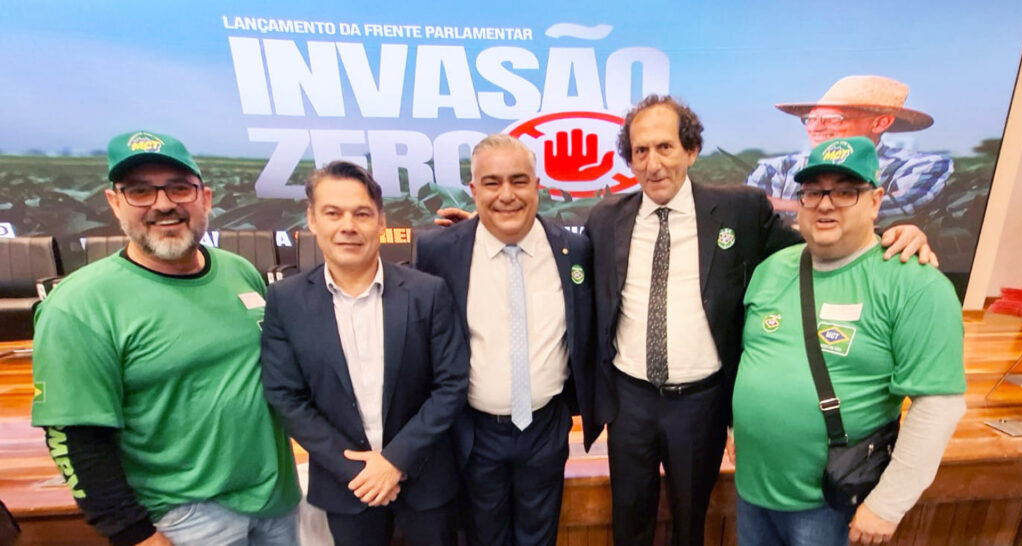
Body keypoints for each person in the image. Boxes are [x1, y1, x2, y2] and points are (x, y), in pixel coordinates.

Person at [584, 95, 935, 546]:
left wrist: (890, 236)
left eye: (665, 147)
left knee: (690, 521)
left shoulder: (740, 210)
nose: (653, 163)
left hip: (700, 405)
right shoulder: (606, 219)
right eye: (641, 151)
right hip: (628, 400)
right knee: (628, 520)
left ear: (691, 151)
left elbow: (818, 241)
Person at [31, 130, 301, 545]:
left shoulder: (238, 270)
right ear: (114, 202)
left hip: (277, 503)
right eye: (140, 191)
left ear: (205, 198)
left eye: (179, 188)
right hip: (185, 519)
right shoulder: (79, 306)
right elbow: (74, 436)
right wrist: (134, 534)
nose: (163, 204)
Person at [729, 136, 966, 545]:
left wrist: (888, 504)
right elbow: (752, 356)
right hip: (752, 493)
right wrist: (737, 427)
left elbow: (938, 406)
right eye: (814, 191)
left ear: (875, 201)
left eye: (845, 191)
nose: (825, 204)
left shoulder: (915, 284)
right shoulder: (771, 269)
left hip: (832, 505)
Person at [260, 161, 469, 546]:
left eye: (361, 214)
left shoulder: (428, 292)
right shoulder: (285, 301)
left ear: (380, 221)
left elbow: (451, 384)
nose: (348, 226)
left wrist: (395, 462)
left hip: (426, 482)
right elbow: (286, 396)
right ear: (312, 219)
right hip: (347, 486)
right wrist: (358, 471)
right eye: (333, 213)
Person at [415, 134, 597, 546]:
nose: (507, 194)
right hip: (473, 433)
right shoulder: (439, 251)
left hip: (546, 428)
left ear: (537, 186)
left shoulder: (575, 249)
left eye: (518, 180)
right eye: (492, 183)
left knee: (539, 539)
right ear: (473, 190)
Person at [745, 75, 953, 226]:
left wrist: (782, 205)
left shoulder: (921, 165)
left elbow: (902, 203)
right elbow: (747, 213)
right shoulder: (777, 168)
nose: (815, 127)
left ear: (880, 123)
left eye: (833, 119)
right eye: (810, 119)